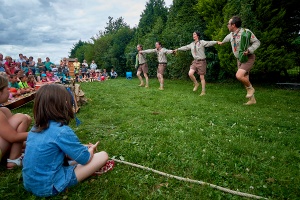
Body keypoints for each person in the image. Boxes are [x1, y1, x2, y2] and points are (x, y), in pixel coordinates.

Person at [22, 84, 115, 197]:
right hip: (50, 186)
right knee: (103, 156)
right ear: (62, 105)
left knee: (73, 158)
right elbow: (85, 159)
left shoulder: (35, 128)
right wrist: (91, 150)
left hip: (30, 183)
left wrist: (82, 147)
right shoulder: (61, 131)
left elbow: (57, 150)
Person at [218, 16, 260, 105]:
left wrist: (249, 50)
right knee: (245, 78)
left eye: (228, 24)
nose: (227, 25)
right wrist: (221, 43)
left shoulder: (246, 32)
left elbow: (257, 42)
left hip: (248, 58)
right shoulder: (231, 35)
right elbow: (226, 39)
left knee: (239, 75)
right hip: (240, 59)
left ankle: (251, 88)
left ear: (233, 25)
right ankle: (252, 100)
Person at [0, 75, 32, 169]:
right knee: (21, 117)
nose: (9, 91)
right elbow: (13, 137)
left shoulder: (3, 111)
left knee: (25, 117)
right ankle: (14, 160)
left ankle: (14, 153)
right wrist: (39, 133)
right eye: (7, 89)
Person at [175, 32, 219, 96]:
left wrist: (216, 42)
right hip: (195, 61)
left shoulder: (202, 42)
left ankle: (203, 91)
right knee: (190, 73)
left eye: (194, 34)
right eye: (193, 34)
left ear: (198, 36)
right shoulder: (192, 44)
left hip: (202, 61)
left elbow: (209, 43)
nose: (193, 35)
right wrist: (178, 49)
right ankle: (196, 83)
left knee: (202, 77)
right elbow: (185, 47)